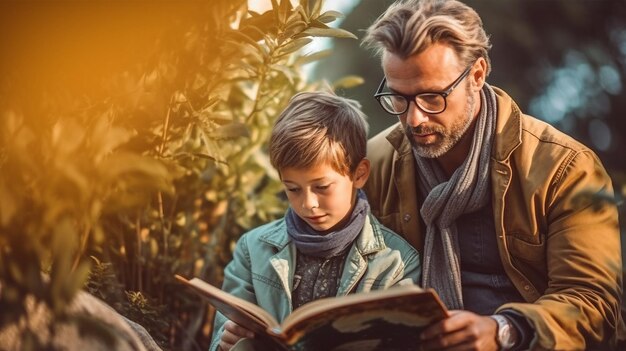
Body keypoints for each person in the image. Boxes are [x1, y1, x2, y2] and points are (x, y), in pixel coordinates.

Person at [361, 0, 622, 350]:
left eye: (432, 97)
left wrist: (503, 330)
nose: (414, 119)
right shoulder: (372, 164)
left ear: (477, 75)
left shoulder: (566, 168)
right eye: (399, 98)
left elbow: (595, 304)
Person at [209, 91, 422, 351]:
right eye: (293, 189)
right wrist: (226, 342)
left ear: (359, 174)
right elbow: (223, 336)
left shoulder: (397, 263)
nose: (308, 204)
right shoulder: (252, 249)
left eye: (321, 187)